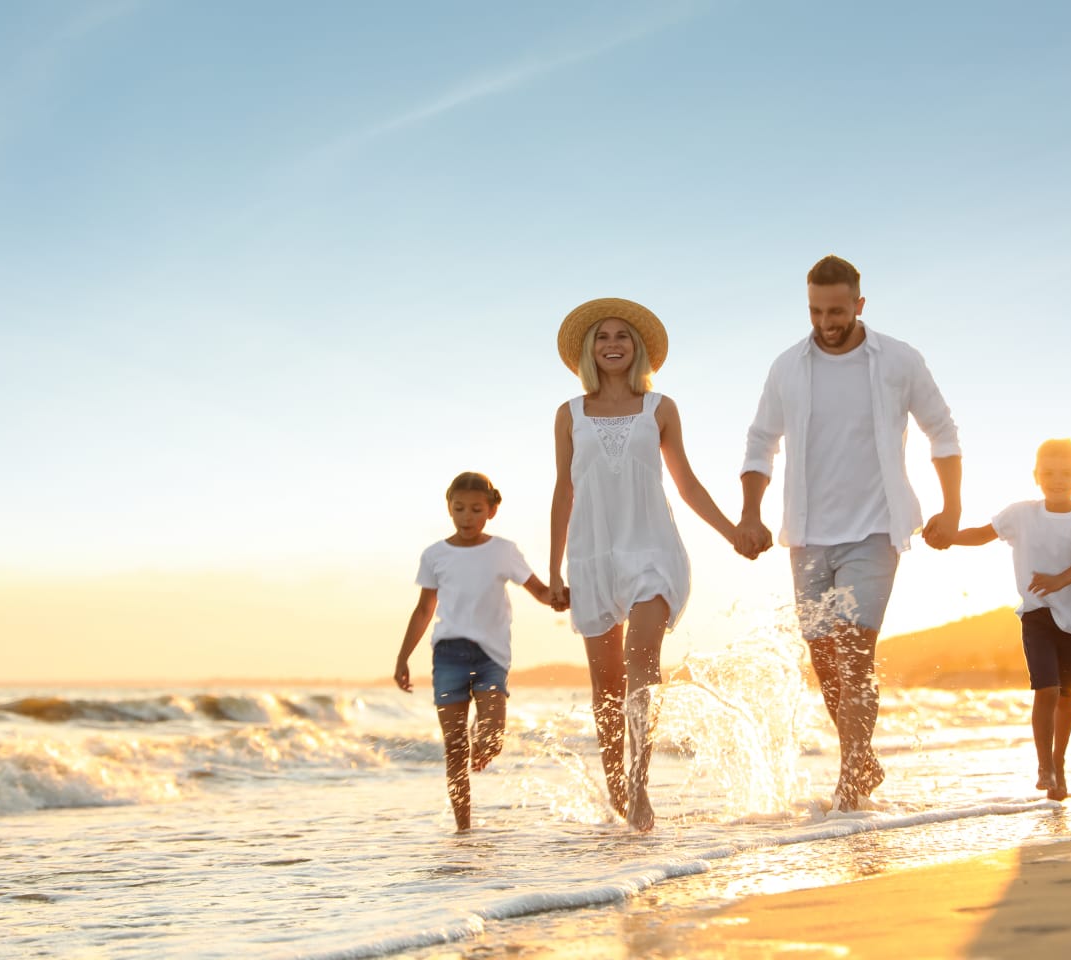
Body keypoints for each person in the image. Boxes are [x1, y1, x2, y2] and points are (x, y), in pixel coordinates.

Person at [736, 254, 963, 811]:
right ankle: (862, 755)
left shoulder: (899, 360)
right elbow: (760, 441)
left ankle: (850, 779)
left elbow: (942, 429)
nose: (826, 321)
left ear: (859, 305)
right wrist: (749, 512)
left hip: (876, 529)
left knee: (855, 648)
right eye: (816, 310)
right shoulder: (787, 367)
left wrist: (951, 508)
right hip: (809, 534)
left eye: (837, 310)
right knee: (822, 655)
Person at [550, 297, 739, 831]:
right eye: (603, 337)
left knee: (642, 670)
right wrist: (554, 571)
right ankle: (615, 789)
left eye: (623, 337)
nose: (613, 344)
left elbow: (687, 483)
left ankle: (638, 786)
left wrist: (731, 533)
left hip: (652, 547)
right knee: (605, 686)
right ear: (590, 349)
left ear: (637, 349)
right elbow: (563, 491)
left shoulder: (661, 409)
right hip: (591, 555)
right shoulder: (569, 414)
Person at [394, 471, 563, 831]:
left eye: (475, 509)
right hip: (448, 654)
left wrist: (563, 596)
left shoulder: (503, 551)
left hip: (491, 657)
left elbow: (540, 591)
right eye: (459, 509)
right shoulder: (435, 555)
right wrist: (403, 657)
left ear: (491, 511)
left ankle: (482, 747)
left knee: (491, 737)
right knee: (455, 748)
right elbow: (424, 609)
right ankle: (464, 829)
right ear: (449, 509)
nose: (466, 517)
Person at [949, 438, 1071, 800]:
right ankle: (1044, 766)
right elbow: (982, 534)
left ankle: (1059, 762)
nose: (1057, 480)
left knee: (1067, 697)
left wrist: (1057, 581)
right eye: (1049, 473)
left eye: (1066, 473)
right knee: (1046, 688)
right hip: (1036, 614)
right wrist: (949, 538)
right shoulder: (1020, 514)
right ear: (1036, 475)